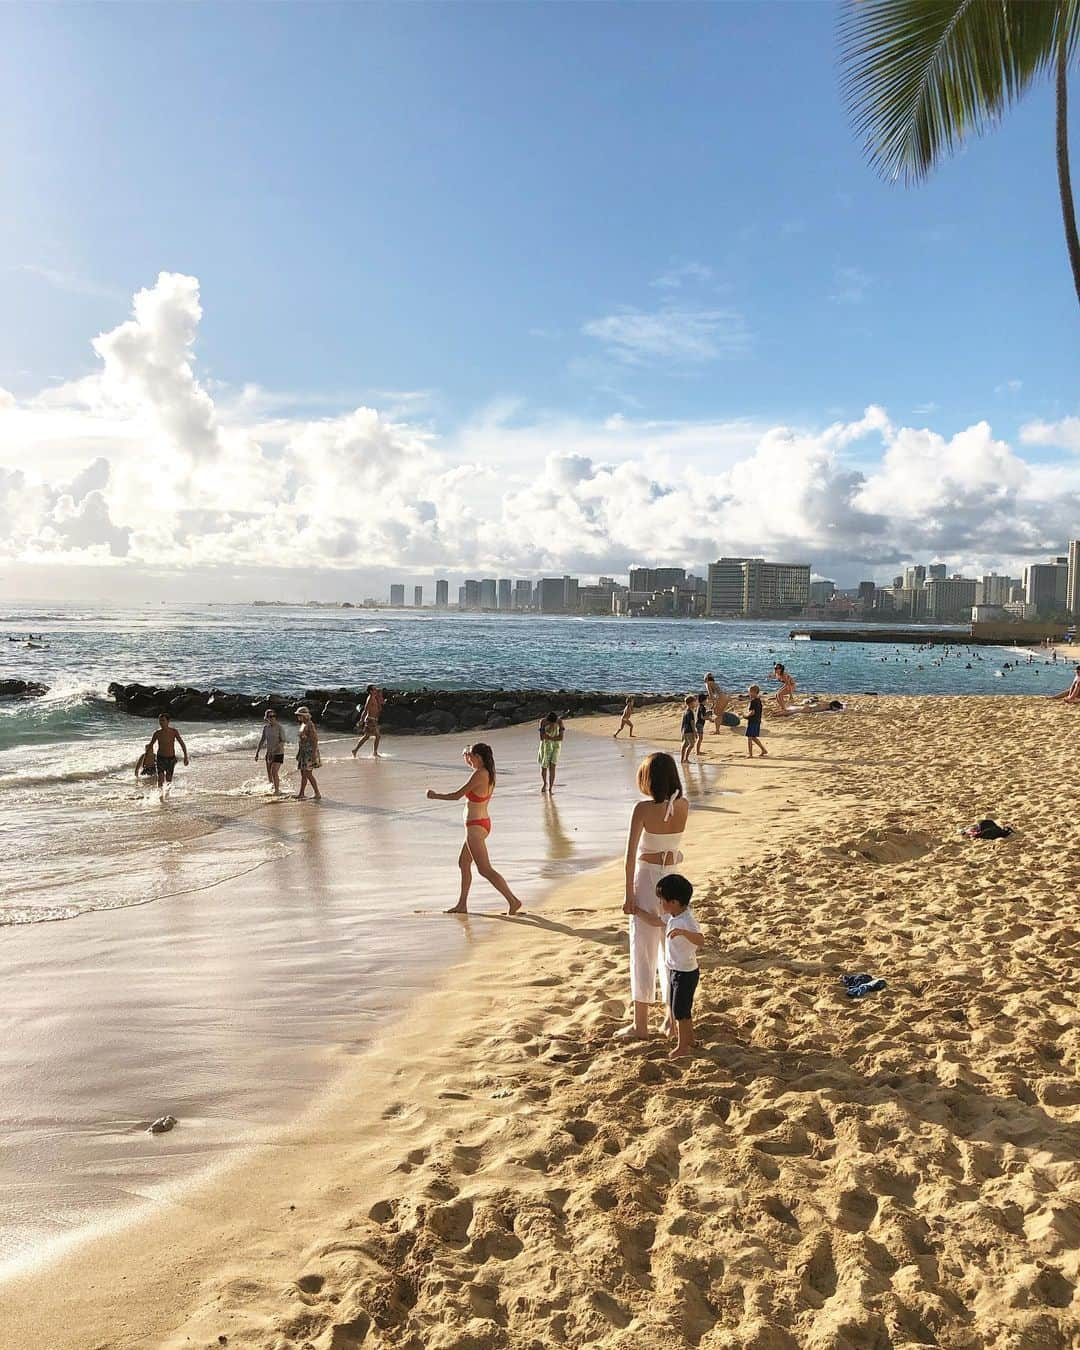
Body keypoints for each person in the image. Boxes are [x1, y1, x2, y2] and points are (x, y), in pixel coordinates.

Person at [616, 751, 689, 1039]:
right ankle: (671, 1020)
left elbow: (630, 856)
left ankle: (640, 1025)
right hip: (673, 877)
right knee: (669, 951)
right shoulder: (683, 805)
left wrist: (628, 895)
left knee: (642, 951)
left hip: (647, 879)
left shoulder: (643, 810)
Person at [427, 743, 522, 915]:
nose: (469, 759)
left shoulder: (480, 774)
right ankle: (462, 904)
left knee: (484, 869)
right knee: (463, 863)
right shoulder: (488, 772)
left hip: (476, 827)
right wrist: (467, 754)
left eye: (472, 756)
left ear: (479, 757)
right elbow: (471, 766)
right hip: (481, 823)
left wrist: (434, 795)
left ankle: (513, 900)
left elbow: (456, 796)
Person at [632, 873, 703, 1058]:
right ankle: (691, 1040)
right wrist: (637, 911)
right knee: (679, 1008)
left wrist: (683, 932)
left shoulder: (686, 920)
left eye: (662, 900)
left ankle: (682, 1047)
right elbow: (655, 921)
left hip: (686, 973)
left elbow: (701, 939)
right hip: (675, 970)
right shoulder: (672, 915)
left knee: (681, 1012)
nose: (659, 904)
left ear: (674, 902)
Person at [148, 713, 188, 800]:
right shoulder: (157, 733)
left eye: (163, 721)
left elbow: (182, 744)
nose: (161, 723)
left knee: (169, 780)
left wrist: (186, 756)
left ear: (168, 721)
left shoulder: (174, 732)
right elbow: (151, 745)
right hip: (160, 758)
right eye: (160, 721)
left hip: (171, 759)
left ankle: (167, 795)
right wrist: (147, 757)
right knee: (161, 778)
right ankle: (160, 797)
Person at [255, 708, 287, 794]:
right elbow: (262, 740)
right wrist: (257, 752)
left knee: (274, 772)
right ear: (266, 718)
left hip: (278, 753)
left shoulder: (279, 727)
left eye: (274, 716)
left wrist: (274, 750)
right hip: (269, 754)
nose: (272, 718)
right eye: (270, 716)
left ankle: (277, 790)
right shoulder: (266, 728)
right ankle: (272, 788)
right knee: (270, 774)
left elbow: (283, 741)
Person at [295, 706, 322, 800]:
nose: (298, 717)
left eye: (299, 715)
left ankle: (317, 793)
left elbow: (315, 740)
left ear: (304, 716)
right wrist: (299, 753)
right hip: (304, 752)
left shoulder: (310, 724)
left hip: (310, 753)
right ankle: (301, 793)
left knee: (308, 773)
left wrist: (314, 754)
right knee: (303, 773)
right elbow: (302, 740)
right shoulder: (303, 724)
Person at [352, 685, 385, 758]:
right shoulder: (370, 699)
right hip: (370, 720)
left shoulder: (374, 698)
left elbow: (382, 703)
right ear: (370, 691)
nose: (376, 690)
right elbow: (365, 710)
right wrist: (361, 720)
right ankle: (374, 752)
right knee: (377, 736)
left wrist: (380, 694)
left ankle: (355, 750)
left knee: (367, 736)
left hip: (374, 720)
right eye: (374, 689)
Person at [537, 711, 564, 793]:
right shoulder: (543, 722)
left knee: (553, 766)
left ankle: (550, 788)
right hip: (546, 746)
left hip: (556, 746)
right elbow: (542, 737)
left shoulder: (559, 722)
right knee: (544, 767)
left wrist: (550, 737)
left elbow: (561, 738)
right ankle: (545, 783)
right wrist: (549, 732)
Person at [745, 684, 767, 757]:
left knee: (749, 737)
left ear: (754, 692)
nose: (749, 694)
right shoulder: (758, 700)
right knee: (753, 737)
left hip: (752, 721)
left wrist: (746, 716)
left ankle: (750, 754)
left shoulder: (753, 701)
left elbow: (752, 712)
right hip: (757, 720)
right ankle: (763, 750)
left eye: (749, 692)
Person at [679, 695, 697, 764]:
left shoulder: (685, 711)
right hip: (689, 730)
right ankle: (686, 759)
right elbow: (692, 723)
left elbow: (683, 722)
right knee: (691, 744)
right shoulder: (690, 712)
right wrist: (694, 732)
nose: (695, 704)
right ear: (691, 703)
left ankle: (682, 759)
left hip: (684, 730)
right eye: (694, 702)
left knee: (685, 745)